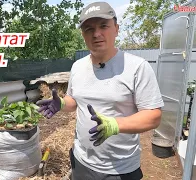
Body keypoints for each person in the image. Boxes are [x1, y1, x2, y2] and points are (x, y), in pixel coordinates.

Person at [36, 1, 164, 180]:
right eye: (89, 29)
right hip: (82, 160)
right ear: (83, 34)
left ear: (116, 29)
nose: (96, 34)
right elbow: (75, 101)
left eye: (103, 26)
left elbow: (153, 116)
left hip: (120, 168)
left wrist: (114, 125)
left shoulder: (137, 67)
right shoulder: (78, 66)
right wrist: (63, 103)